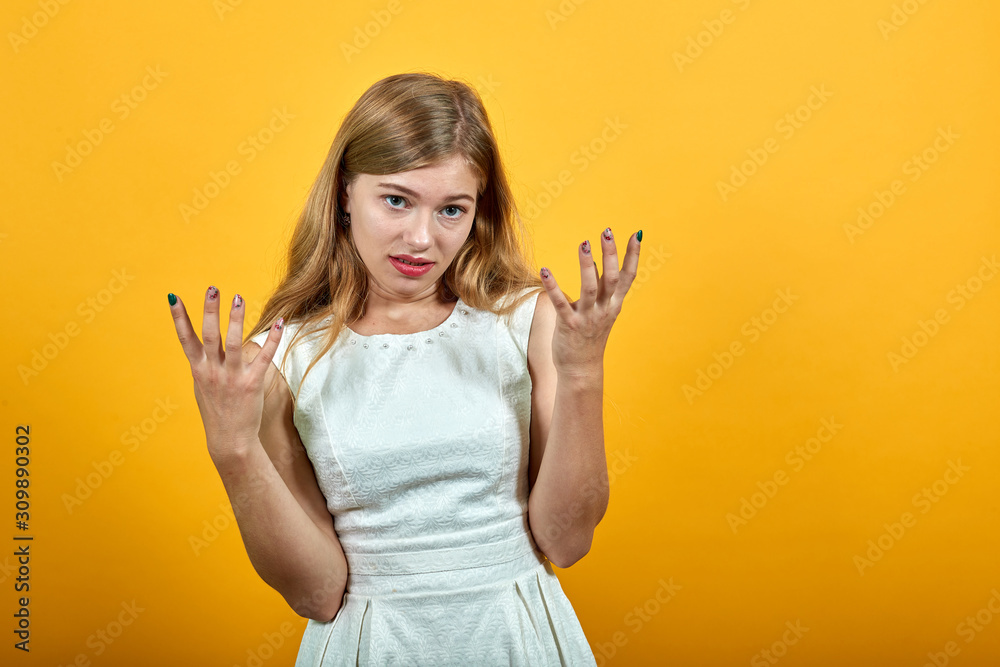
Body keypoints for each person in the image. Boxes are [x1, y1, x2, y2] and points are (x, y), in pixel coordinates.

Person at [167, 71, 641, 666]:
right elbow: (316, 594)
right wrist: (233, 449)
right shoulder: (280, 360)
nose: (422, 239)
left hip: (519, 642)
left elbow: (567, 542)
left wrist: (582, 374)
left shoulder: (528, 323)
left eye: (452, 209)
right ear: (344, 193)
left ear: (479, 211)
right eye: (396, 200)